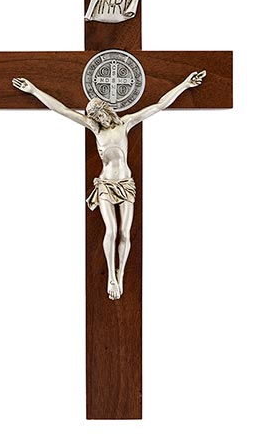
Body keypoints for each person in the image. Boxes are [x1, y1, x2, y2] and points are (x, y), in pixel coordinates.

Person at [12, 70, 206, 300]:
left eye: (101, 115)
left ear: (106, 111)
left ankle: (120, 274)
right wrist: (34, 90)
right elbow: (62, 110)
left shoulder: (126, 123)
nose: (100, 120)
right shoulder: (95, 129)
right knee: (111, 230)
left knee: (124, 232)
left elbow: (158, 105)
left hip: (126, 185)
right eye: (95, 118)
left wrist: (184, 84)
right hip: (105, 185)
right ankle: (110, 278)